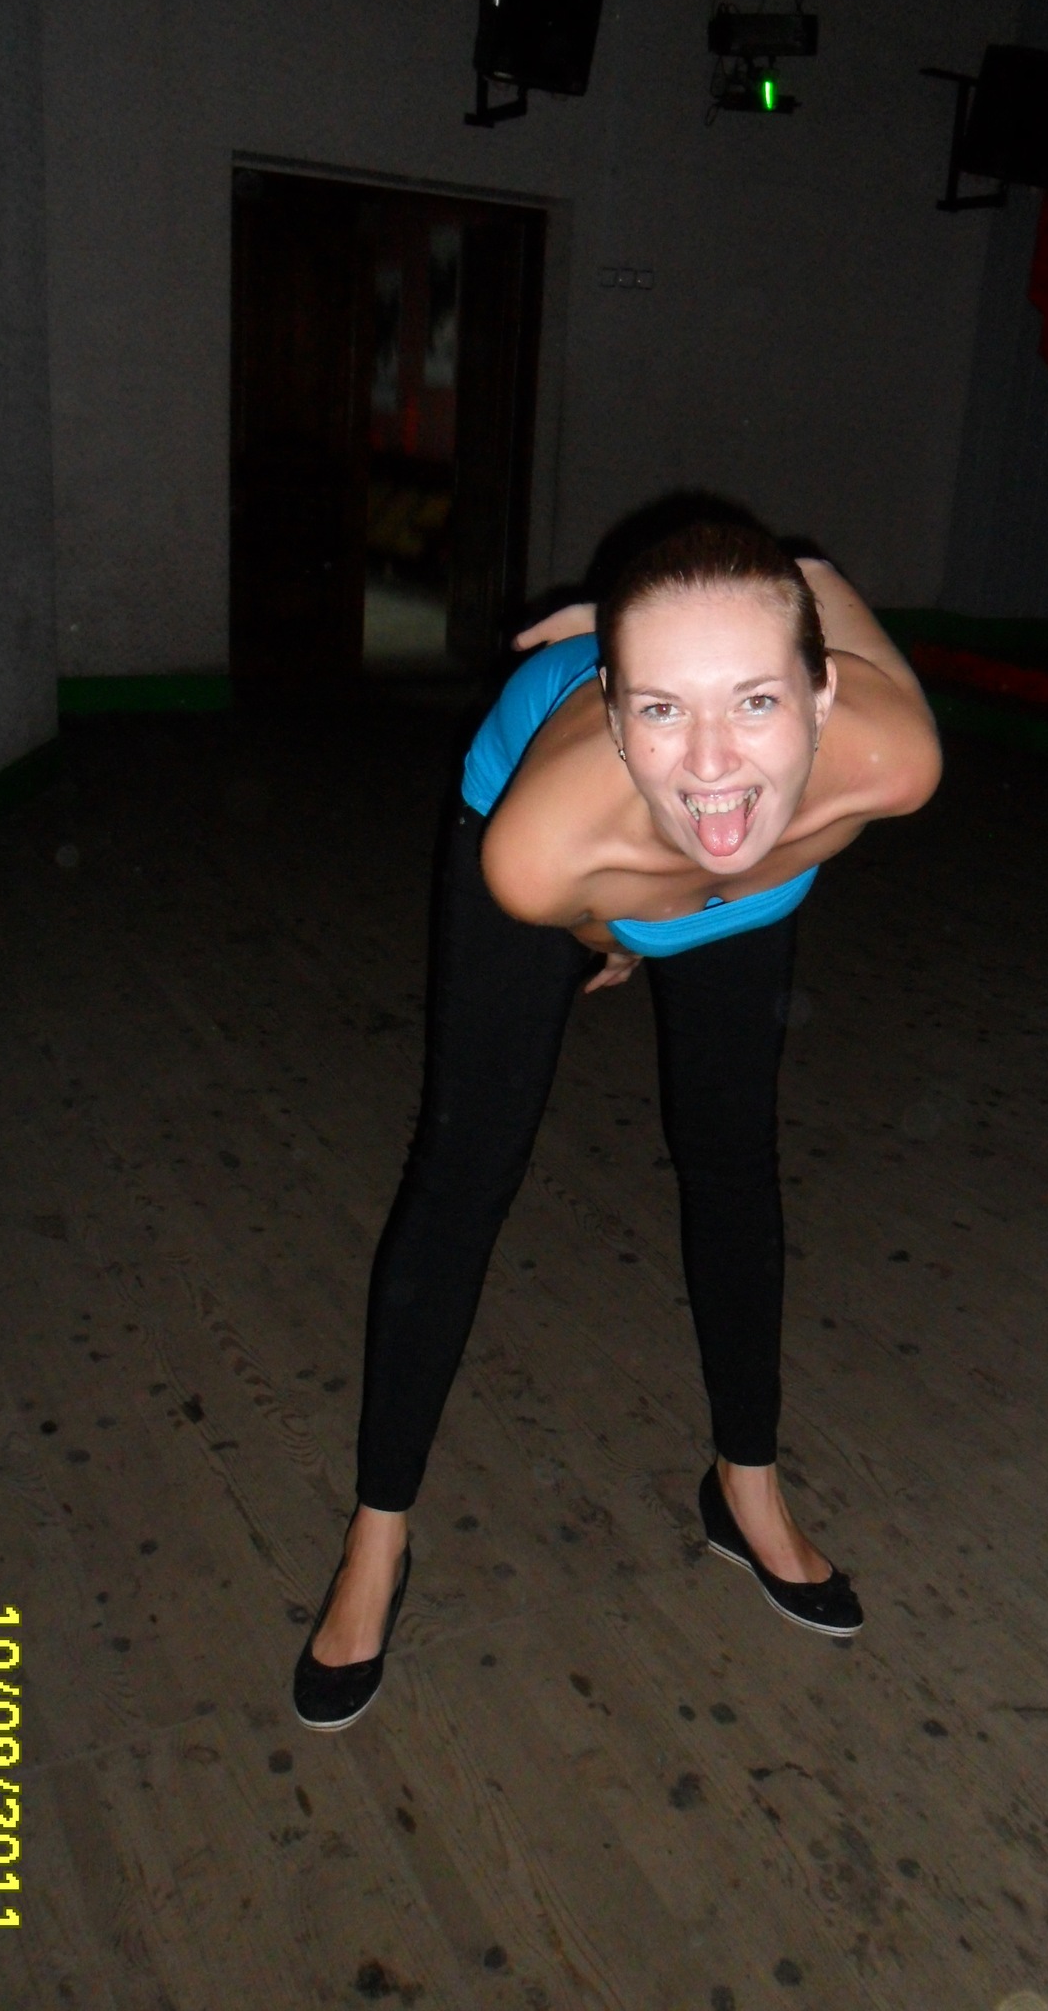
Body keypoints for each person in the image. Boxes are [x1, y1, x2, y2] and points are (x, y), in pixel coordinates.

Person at [293, 517, 941, 1730]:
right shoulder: (538, 849)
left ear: (821, 692)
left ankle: (746, 1490)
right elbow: (582, 912)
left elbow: (813, 571)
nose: (713, 764)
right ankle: (376, 1537)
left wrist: (663, 632)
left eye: (758, 699)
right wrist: (625, 930)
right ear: (614, 708)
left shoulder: (888, 758)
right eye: (660, 708)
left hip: (711, 861)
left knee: (733, 1157)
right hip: (578, 853)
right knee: (464, 1172)